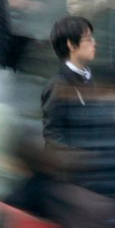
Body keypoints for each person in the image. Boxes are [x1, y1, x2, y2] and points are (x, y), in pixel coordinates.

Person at [42, 15, 95, 146]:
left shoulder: (87, 77)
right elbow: (53, 136)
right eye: (88, 39)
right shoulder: (58, 86)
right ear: (71, 44)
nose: (94, 43)